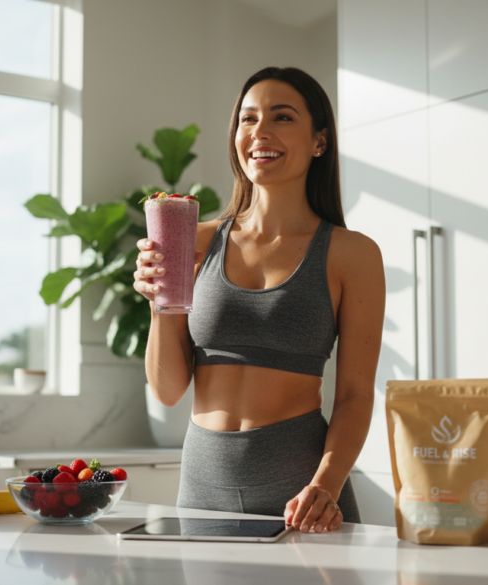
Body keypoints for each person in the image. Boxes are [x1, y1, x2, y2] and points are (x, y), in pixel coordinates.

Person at [133, 66, 385, 533]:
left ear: (319, 141)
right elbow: (168, 391)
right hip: (203, 487)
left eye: (282, 117)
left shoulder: (353, 254)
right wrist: (158, 301)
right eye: (247, 119)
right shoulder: (192, 240)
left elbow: (353, 396)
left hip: (303, 493)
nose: (259, 132)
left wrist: (325, 485)